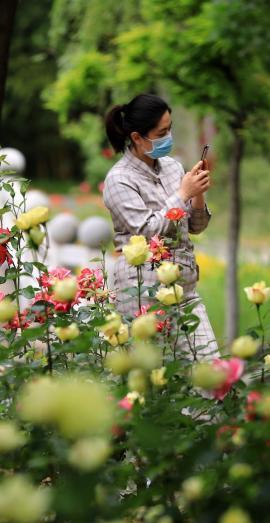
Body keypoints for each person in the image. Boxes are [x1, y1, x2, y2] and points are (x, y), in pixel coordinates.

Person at [102, 93, 221, 362]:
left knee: (211, 371)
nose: (169, 137)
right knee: (154, 382)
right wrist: (182, 194)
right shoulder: (119, 180)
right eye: (162, 132)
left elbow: (196, 227)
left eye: (170, 129)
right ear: (136, 137)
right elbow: (146, 231)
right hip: (143, 298)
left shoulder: (172, 168)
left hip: (185, 291)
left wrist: (197, 193)